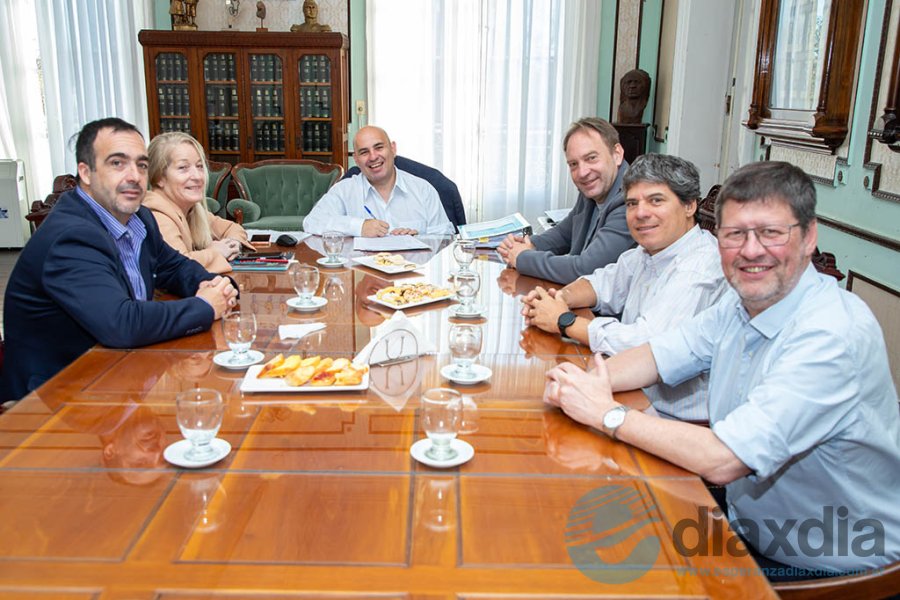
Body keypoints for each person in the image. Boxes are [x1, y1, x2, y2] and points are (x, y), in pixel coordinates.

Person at [544, 161, 900, 578]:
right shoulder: (741, 303)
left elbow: (724, 459)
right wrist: (583, 386)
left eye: (770, 232)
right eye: (734, 235)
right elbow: (657, 355)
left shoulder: (831, 334)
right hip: (750, 518)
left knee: (601, 568)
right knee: (577, 529)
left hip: (825, 556)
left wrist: (606, 413)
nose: (751, 250)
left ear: (808, 237)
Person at [0, 118, 237, 402]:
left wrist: (219, 285)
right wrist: (204, 306)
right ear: (86, 173)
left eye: (141, 164)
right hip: (57, 400)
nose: (133, 176)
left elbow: (175, 267)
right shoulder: (72, 236)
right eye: (117, 163)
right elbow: (121, 323)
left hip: (117, 377)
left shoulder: (139, 218)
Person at [522, 154, 727, 421]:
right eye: (632, 203)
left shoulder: (698, 267)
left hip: (672, 417)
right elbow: (601, 283)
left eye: (656, 200)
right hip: (632, 391)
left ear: (689, 205)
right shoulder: (647, 252)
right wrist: (557, 298)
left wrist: (564, 320)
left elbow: (647, 346)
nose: (641, 213)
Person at [497, 117, 635, 285]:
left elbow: (586, 269)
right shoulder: (593, 189)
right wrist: (528, 244)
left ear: (617, 154)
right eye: (573, 164)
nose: (582, 172)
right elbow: (564, 234)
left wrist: (523, 258)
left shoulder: (632, 200)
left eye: (591, 158)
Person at [303, 126, 454, 237]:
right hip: (362, 276)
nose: (373, 157)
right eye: (364, 152)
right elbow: (312, 222)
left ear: (393, 149)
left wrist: (419, 240)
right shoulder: (344, 190)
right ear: (356, 159)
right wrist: (359, 227)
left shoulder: (423, 189)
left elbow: (445, 237)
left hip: (412, 277)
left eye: (379, 147)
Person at [143, 132, 251, 274]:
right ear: (158, 178)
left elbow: (232, 228)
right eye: (183, 168)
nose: (197, 176)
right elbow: (179, 266)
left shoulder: (192, 209)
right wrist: (216, 252)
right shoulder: (157, 215)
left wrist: (233, 243)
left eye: (199, 166)